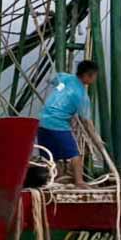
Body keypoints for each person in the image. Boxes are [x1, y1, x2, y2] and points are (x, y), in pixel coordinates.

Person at [36, 60, 98, 188]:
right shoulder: (82, 96)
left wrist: (60, 88)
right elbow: (86, 122)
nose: (95, 78)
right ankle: (79, 181)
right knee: (75, 154)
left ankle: (54, 179)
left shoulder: (65, 78)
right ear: (88, 76)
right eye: (95, 76)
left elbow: (51, 79)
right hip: (58, 123)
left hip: (42, 121)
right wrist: (96, 140)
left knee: (50, 156)